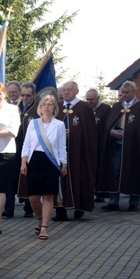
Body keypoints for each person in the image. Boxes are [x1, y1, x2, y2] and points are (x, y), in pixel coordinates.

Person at [20, 94, 67, 241]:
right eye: (44, 104)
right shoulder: (33, 123)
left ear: (54, 108)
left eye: (50, 104)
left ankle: (45, 227)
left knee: (48, 196)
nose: (47, 107)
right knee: (33, 197)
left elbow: (61, 146)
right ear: (40, 108)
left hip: (51, 162)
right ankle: (40, 219)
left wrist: (64, 164)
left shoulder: (59, 125)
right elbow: (26, 144)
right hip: (35, 161)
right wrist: (23, 162)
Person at [97, 81, 140, 211]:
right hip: (117, 146)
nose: (124, 95)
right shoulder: (117, 106)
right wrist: (112, 132)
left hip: (134, 147)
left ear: (133, 92)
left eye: (127, 93)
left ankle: (134, 202)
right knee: (115, 172)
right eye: (122, 93)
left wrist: (129, 133)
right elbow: (108, 124)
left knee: (134, 172)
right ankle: (114, 202)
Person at [53, 81, 97, 221]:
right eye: (64, 90)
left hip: (79, 152)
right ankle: (60, 210)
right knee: (60, 179)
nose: (66, 92)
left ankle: (79, 207)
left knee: (79, 178)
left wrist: (72, 133)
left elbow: (90, 132)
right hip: (60, 152)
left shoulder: (84, 108)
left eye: (69, 90)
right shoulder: (57, 107)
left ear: (76, 91)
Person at [0, 82, 20, 232]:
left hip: (6, 151)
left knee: (0, 187)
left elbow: (13, 131)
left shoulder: (12, 109)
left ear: (4, 94)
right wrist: (0, 130)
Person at [85, 88, 112, 202]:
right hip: (89, 145)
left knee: (101, 168)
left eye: (92, 99)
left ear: (98, 98)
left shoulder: (106, 109)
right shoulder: (85, 109)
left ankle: (102, 192)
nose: (89, 102)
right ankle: (92, 191)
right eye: (87, 99)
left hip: (102, 144)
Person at [15, 82, 37, 218]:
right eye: (22, 95)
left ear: (34, 95)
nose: (24, 98)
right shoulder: (15, 108)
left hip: (30, 148)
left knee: (28, 176)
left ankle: (29, 207)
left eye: (28, 95)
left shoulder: (37, 109)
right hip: (15, 147)